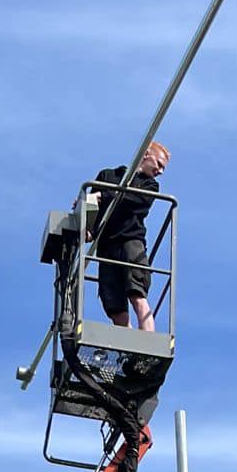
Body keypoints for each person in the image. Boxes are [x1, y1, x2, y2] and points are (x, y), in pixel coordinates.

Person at [90, 142, 169, 332]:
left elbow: (134, 201)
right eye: (158, 164)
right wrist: (88, 228)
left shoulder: (150, 186)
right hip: (106, 246)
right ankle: (126, 343)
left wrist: (102, 196)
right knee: (115, 307)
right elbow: (92, 208)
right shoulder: (108, 176)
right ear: (146, 154)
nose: (160, 171)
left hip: (130, 242)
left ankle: (147, 342)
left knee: (137, 294)